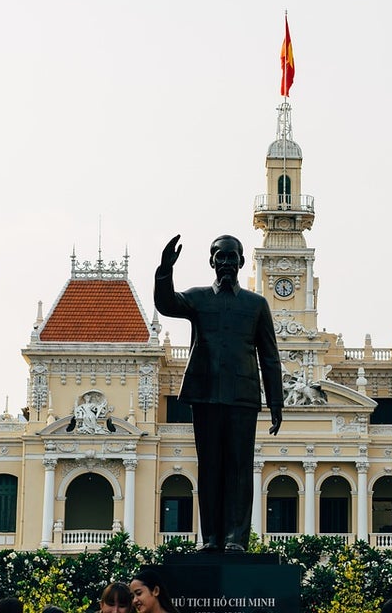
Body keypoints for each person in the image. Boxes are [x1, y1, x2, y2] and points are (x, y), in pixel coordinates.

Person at [154, 234, 284, 553]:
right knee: (209, 466)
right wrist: (164, 270)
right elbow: (167, 303)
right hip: (205, 393)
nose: (226, 263)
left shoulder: (256, 304)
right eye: (220, 257)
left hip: (242, 396)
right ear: (212, 262)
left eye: (231, 257)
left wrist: (276, 403)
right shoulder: (198, 298)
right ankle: (211, 537)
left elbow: (269, 356)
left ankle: (236, 538)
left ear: (241, 262)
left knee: (240, 468)